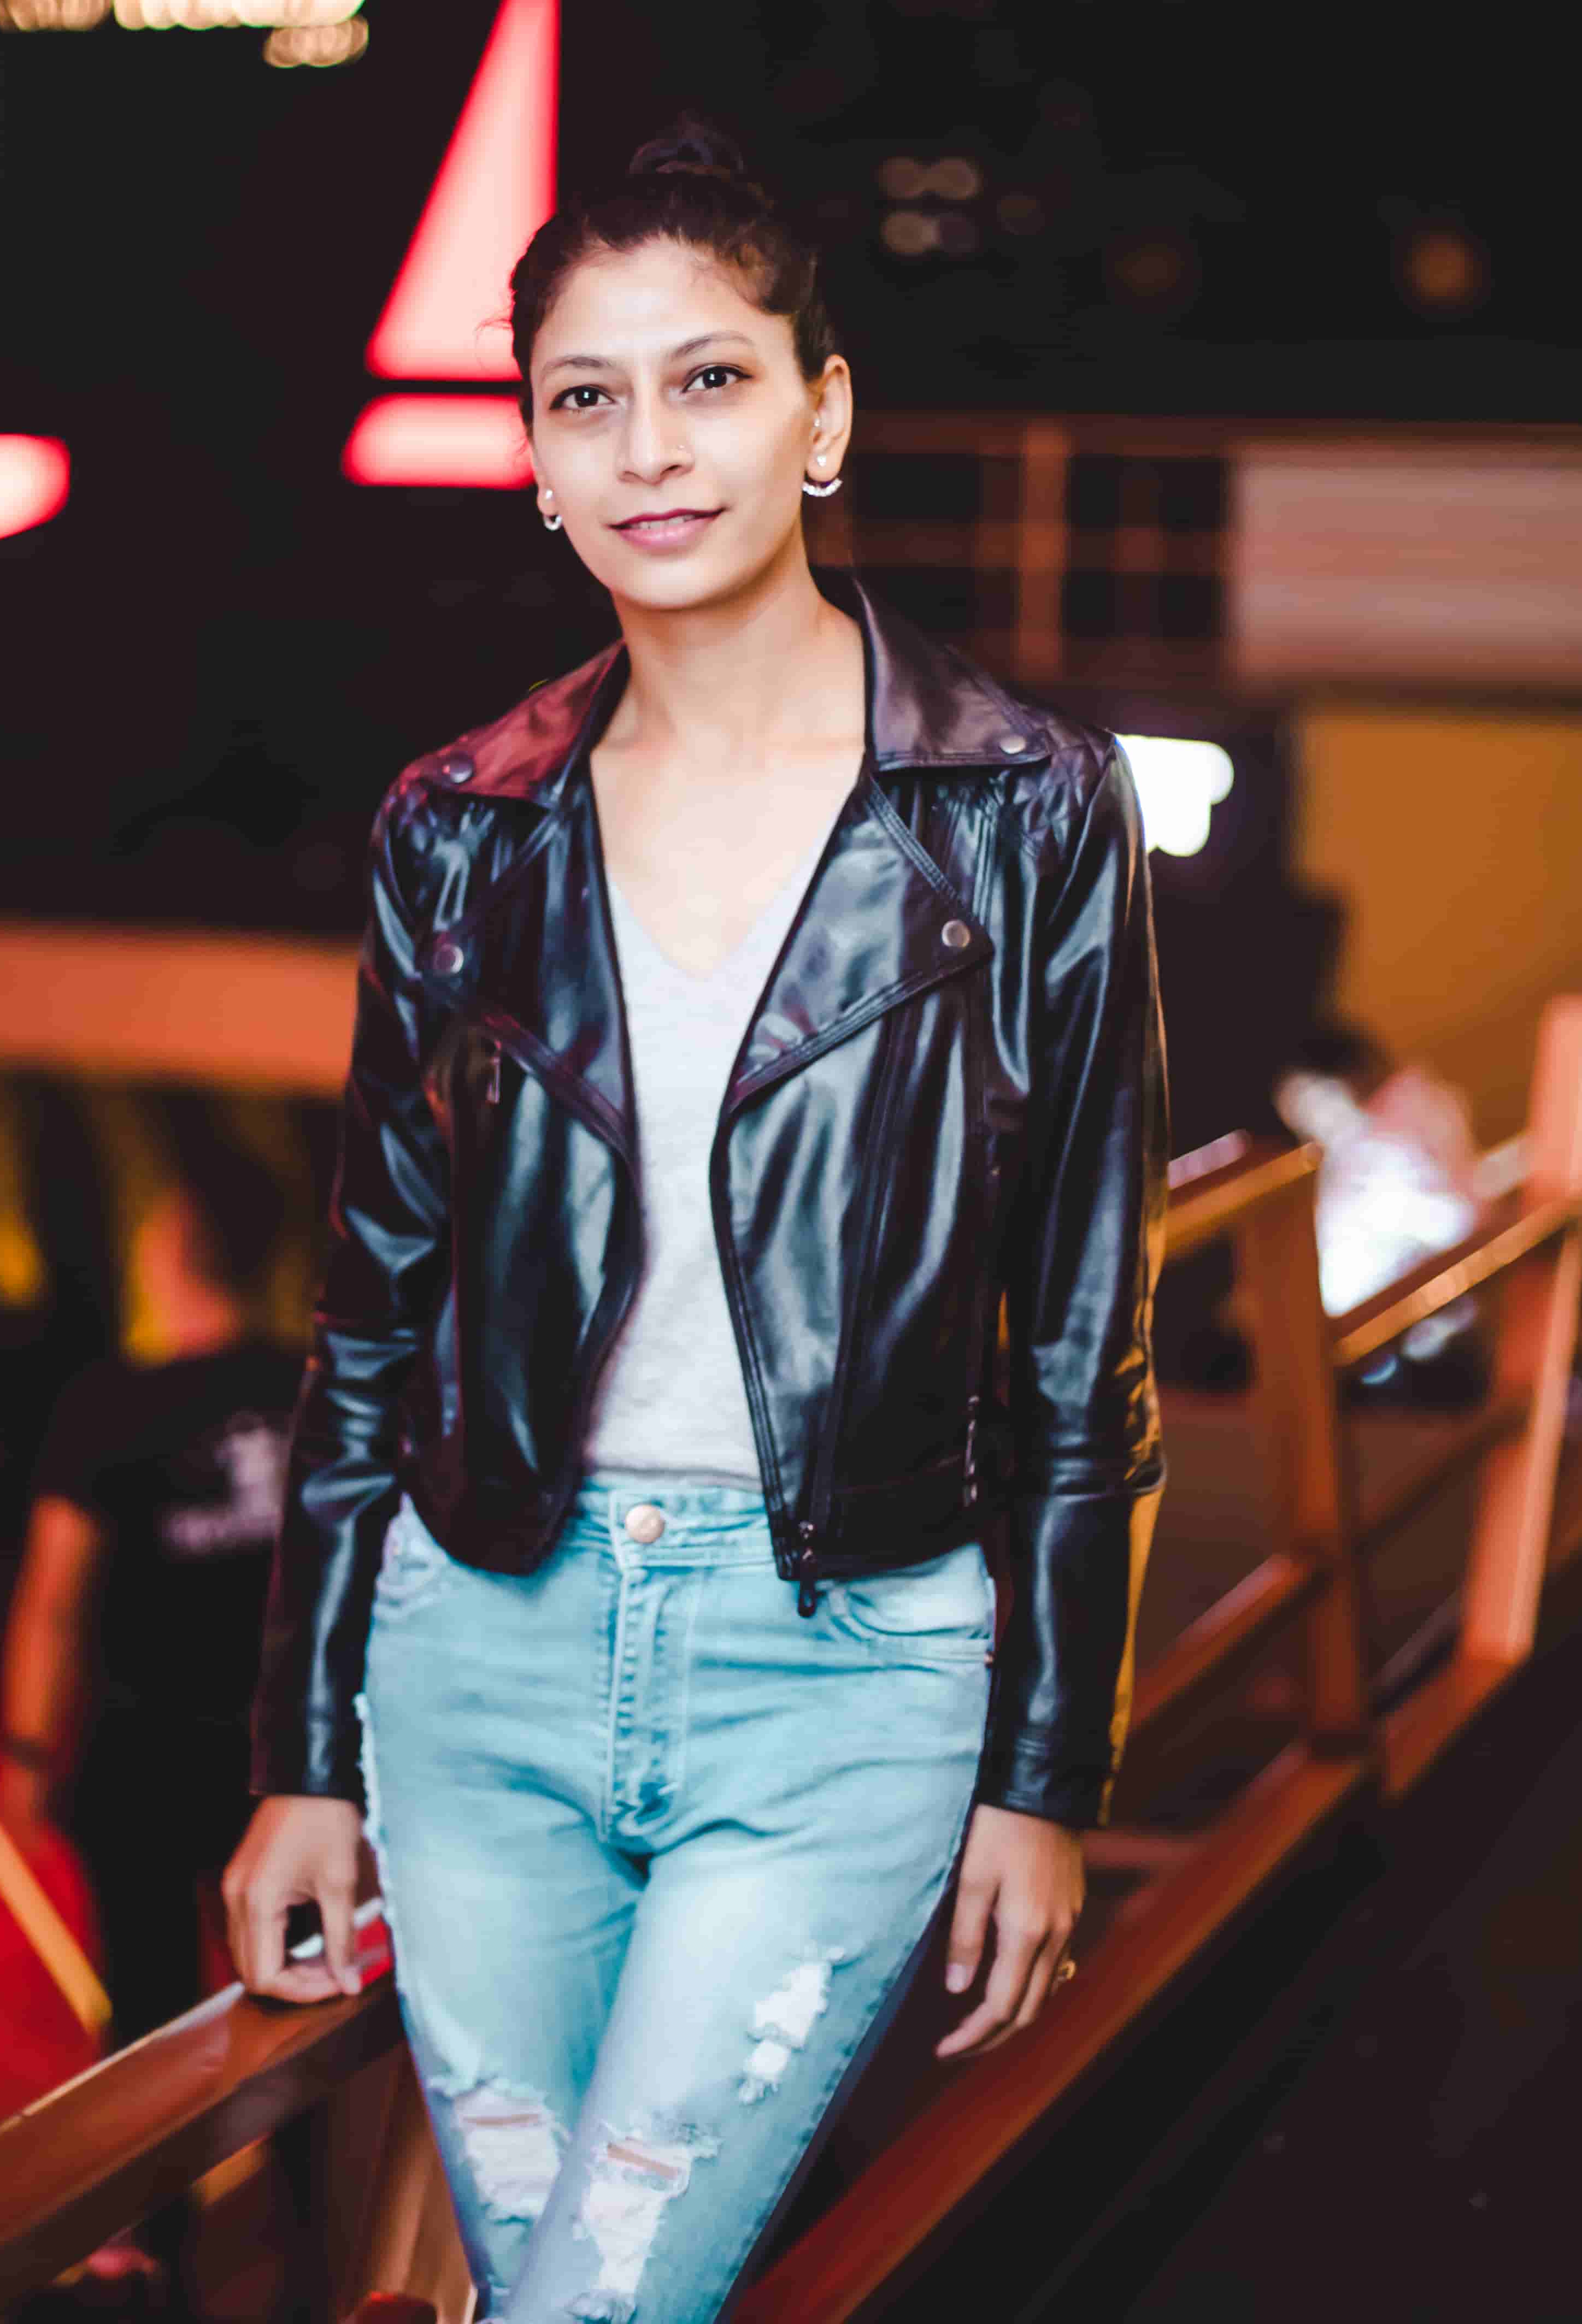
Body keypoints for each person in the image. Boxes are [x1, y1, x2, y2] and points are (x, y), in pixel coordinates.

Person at [223, 117, 1168, 2324]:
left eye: (710, 379)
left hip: (840, 1667)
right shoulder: (459, 832)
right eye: (586, 397)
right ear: (538, 462)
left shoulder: (1022, 809)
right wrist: (301, 1758)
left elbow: (1080, 1331)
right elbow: (372, 1319)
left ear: (820, 416)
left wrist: (1046, 1776)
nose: (649, 447)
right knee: (552, 2283)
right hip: (476, 1659)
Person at [0, 1153, 301, 2048]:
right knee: (297, 2002)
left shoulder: (109, 1405)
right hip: (288, 1748)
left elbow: (53, 1600)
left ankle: (172, 2149)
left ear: (171, 1251)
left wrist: (27, 1752)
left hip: (143, 1760)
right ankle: (302, 2146)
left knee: (147, 2020)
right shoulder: (320, 1390)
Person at [1272, 1026, 1486, 1400]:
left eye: (1308, 1101)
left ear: (1348, 1079)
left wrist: (1391, 1210)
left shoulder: (1406, 1125)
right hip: (1361, 1332)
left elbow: (1460, 1220)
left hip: (1410, 1337)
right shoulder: (1357, 1138)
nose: (1305, 1121)